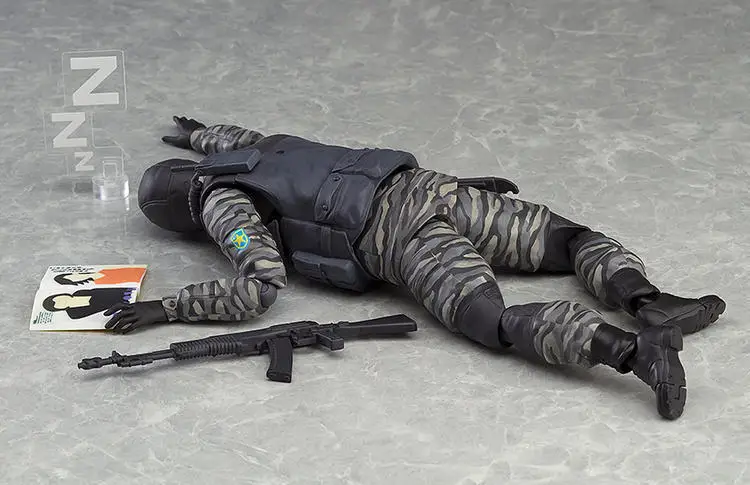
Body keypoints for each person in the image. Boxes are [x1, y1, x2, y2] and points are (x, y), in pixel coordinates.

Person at [116, 116, 726, 420]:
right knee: (570, 240)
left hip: (403, 237)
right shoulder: (252, 147)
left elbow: (258, 285)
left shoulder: (221, 204)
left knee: (491, 319)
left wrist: (166, 308)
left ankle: (632, 351)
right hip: (436, 189)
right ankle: (649, 302)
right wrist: (196, 131)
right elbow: (225, 134)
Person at [42, 287, 137, 319]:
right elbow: (96, 314)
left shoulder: (79, 293)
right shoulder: (73, 314)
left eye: (58, 298)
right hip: (115, 307)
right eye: (57, 303)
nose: (61, 300)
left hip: (120, 294)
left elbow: (99, 291)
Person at [53, 267, 146, 286]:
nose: (76, 277)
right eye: (73, 279)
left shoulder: (103, 270)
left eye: (72, 276)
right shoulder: (100, 283)